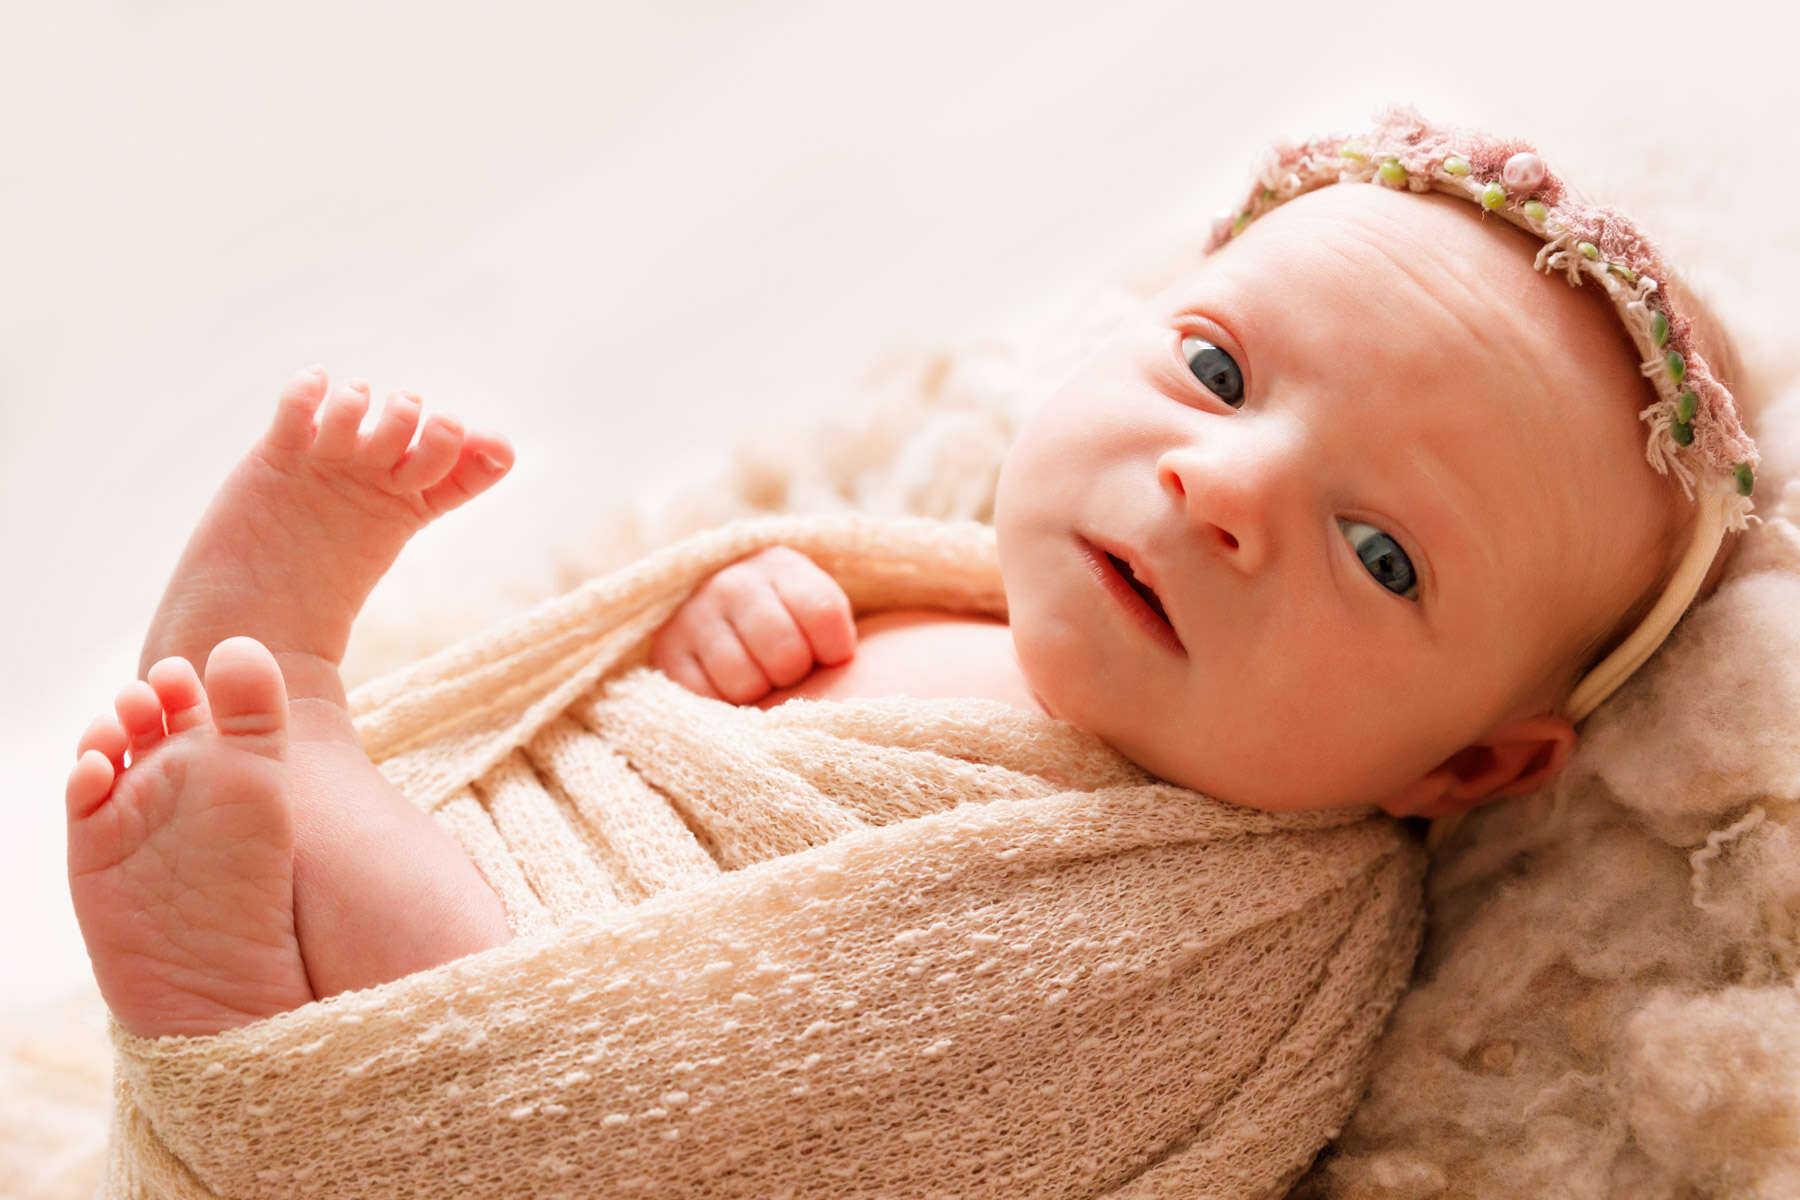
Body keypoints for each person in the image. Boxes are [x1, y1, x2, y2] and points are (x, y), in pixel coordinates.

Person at [63, 111, 1758, 1040]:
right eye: (1222, 375)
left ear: (1463, 769)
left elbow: (877, 1065)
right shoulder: (931, 580)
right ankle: (279, 798)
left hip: (585, 1046)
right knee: (486, 848)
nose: (1220, 490)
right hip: (563, 865)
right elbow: (629, 741)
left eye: (1382, 552)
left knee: (584, 1023)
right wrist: (724, 626)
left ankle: (287, 754)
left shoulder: (1253, 935)